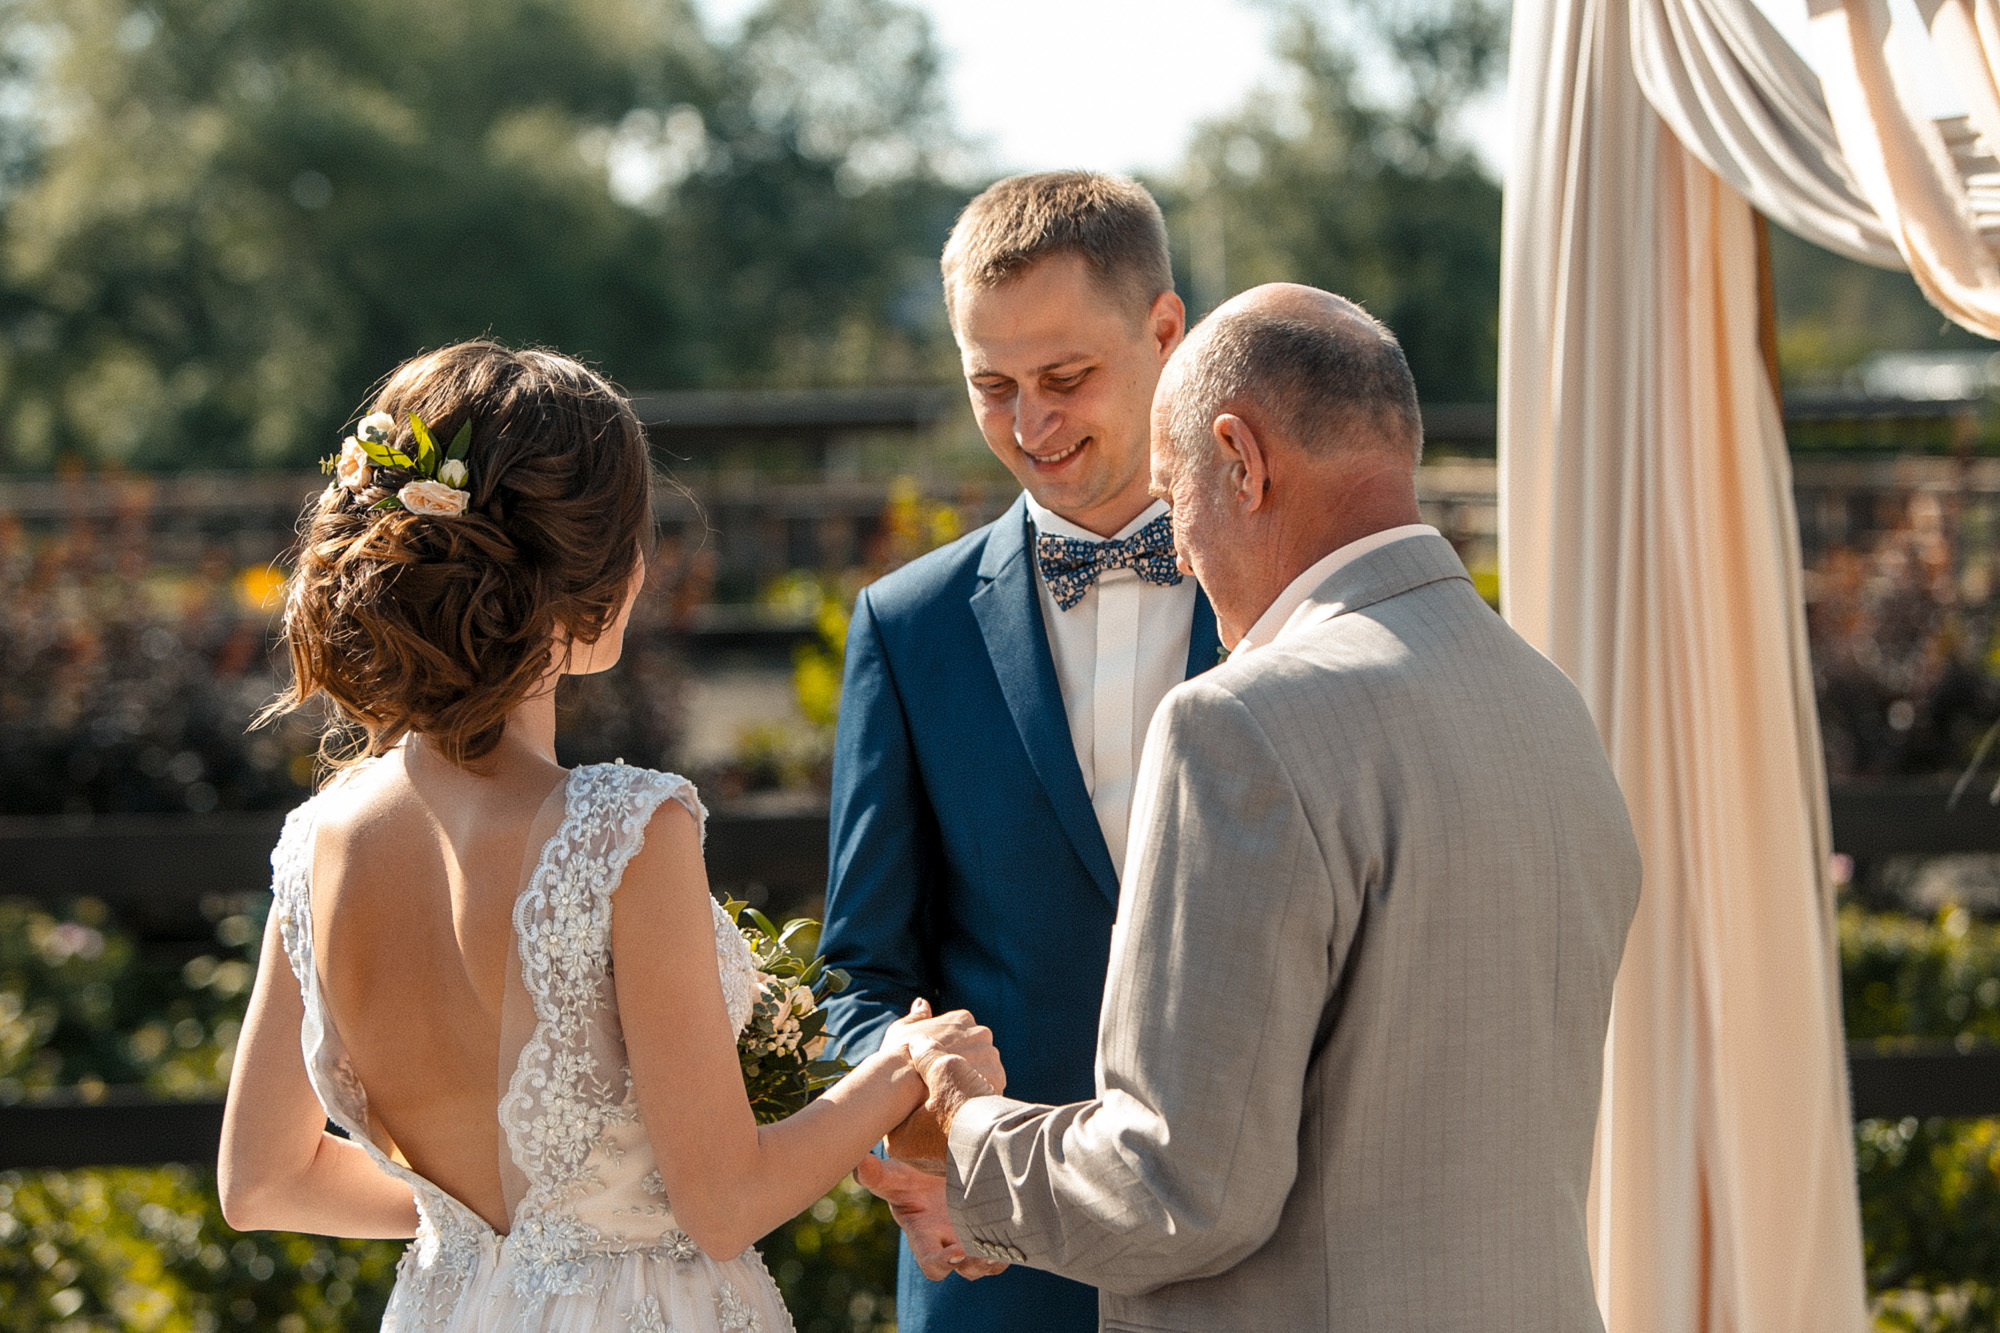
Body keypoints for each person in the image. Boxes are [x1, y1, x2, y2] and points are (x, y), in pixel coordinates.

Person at [899, 285, 1644, 1331]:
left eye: (1173, 497)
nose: (1184, 553)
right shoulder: (1546, 702)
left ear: (1238, 459)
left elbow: (1178, 1190)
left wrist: (965, 1125)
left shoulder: (1238, 723)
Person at [217, 341, 1001, 1333]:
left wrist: (502, 1232)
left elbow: (263, 1181)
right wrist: (899, 1063)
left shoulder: (315, 842)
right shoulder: (625, 827)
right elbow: (721, 1205)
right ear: (594, 571)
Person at [818, 171, 1220, 1333]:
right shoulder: (906, 628)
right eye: (990, 388)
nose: (1030, 428)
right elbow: (860, 972)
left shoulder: (1291, 604)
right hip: (993, 1267)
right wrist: (901, 1135)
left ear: (1164, 330)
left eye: (1064, 379)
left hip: (1263, 1255)